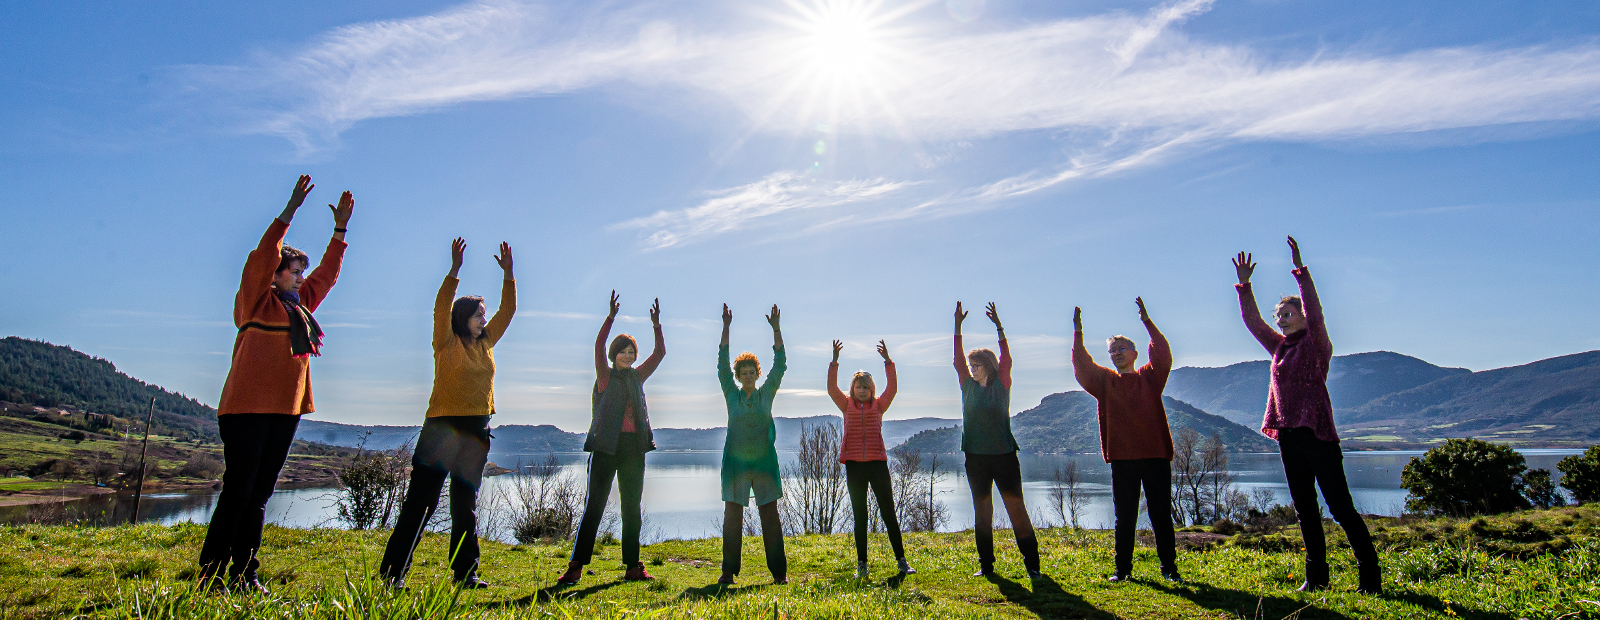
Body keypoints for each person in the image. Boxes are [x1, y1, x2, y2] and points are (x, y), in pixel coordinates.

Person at [198, 175, 353, 593]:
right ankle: (210, 578)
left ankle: (245, 576)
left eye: (302, 271)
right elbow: (263, 254)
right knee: (239, 492)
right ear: (275, 274)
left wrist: (340, 231)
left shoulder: (301, 308)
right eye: (293, 270)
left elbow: (329, 274)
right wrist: (291, 208)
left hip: (285, 412)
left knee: (260, 495)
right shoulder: (256, 299)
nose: (301, 277)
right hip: (246, 410)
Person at [1234, 237, 1382, 594]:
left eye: (1288, 314)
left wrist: (1300, 270)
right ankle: (1315, 578)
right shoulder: (1279, 346)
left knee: (1341, 508)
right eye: (1279, 316)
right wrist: (1244, 285)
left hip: (1317, 434)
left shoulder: (1316, 344)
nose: (1282, 320)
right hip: (1289, 435)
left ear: (1301, 316)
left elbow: (1316, 311)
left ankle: (1370, 579)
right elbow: (1253, 322)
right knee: (1305, 509)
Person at [379, 238, 515, 589]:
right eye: (479, 314)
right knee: (421, 502)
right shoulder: (446, 342)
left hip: (476, 429)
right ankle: (393, 574)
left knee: (464, 504)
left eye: (484, 314)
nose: (484, 319)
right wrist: (454, 271)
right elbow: (441, 307)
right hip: (441, 428)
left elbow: (509, 311)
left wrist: (509, 275)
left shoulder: (485, 343)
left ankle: (464, 574)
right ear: (463, 317)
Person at [559, 292, 665, 585]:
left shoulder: (637, 377)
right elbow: (597, 345)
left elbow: (660, 355)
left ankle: (633, 566)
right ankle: (576, 566)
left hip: (633, 449)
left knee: (631, 507)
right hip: (606, 448)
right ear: (614, 354)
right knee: (594, 505)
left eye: (632, 352)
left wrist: (656, 325)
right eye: (624, 351)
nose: (629, 356)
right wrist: (610, 317)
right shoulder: (604, 376)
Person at [1072, 298, 1179, 582]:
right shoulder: (1106, 383)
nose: (1117, 353)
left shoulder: (1150, 378)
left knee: (1160, 515)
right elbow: (1083, 367)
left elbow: (1163, 354)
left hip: (1155, 455)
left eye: (1121, 348)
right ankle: (1123, 571)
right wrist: (1078, 333)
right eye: (1112, 351)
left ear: (1134, 352)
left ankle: (1169, 570)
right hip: (1122, 459)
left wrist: (1147, 321)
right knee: (1125, 517)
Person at [954, 302, 1040, 578]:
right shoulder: (967, 386)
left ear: (989, 366)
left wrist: (1000, 328)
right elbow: (956, 360)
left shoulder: (1002, 386)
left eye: (976, 365)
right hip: (975, 458)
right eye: (970, 365)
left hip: (1004, 456)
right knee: (983, 512)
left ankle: (1033, 566)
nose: (971, 369)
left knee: (1016, 508)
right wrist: (957, 325)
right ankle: (987, 566)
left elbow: (1008, 360)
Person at [828, 338, 916, 579]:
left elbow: (893, 387)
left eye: (866, 387)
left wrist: (888, 361)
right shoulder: (846, 406)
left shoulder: (879, 406)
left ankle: (901, 561)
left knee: (889, 513)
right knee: (860, 517)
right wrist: (834, 362)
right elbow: (831, 389)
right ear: (853, 389)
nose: (862, 390)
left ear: (871, 389)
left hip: (878, 465)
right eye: (859, 387)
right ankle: (862, 565)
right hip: (855, 466)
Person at [715, 304, 788, 585]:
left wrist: (776, 329)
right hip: (734, 465)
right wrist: (726, 327)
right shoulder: (731, 395)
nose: (747, 375)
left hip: (764, 465)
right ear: (738, 376)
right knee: (732, 518)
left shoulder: (766, 394)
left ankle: (779, 574)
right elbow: (721, 363)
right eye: (742, 372)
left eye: (751, 371)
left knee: (770, 517)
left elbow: (780, 364)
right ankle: (728, 572)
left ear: (758, 374)